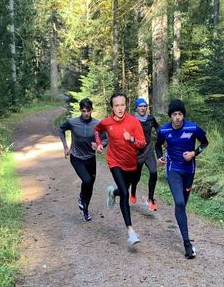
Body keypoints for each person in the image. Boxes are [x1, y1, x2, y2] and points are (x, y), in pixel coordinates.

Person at [155, 99, 209, 259]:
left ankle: (181, 223)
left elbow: (205, 142)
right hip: (173, 170)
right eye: (174, 114)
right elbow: (157, 145)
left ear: (183, 115)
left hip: (189, 171)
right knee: (179, 202)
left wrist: (194, 153)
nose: (177, 117)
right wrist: (160, 157)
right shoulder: (164, 131)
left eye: (180, 114)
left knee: (182, 204)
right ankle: (187, 244)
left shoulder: (192, 128)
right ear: (170, 116)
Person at [95, 92, 146, 245]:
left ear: (126, 105)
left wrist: (131, 139)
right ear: (112, 106)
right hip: (114, 161)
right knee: (125, 193)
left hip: (131, 164)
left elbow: (142, 143)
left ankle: (112, 191)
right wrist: (98, 143)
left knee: (125, 188)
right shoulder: (107, 122)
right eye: (116, 105)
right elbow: (97, 130)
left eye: (122, 105)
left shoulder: (133, 122)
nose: (120, 108)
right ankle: (130, 231)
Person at [58, 98, 106, 222]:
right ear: (80, 110)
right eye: (83, 111)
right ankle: (81, 197)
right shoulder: (72, 122)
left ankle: (85, 210)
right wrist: (65, 146)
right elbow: (60, 129)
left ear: (92, 110)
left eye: (88, 111)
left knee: (90, 185)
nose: (86, 113)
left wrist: (100, 145)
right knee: (87, 180)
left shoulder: (97, 124)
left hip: (90, 158)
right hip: (76, 158)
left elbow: (106, 139)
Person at [129, 97, 159, 211]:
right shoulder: (132, 120)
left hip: (148, 150)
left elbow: (157, 127)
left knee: (153, 171)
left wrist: (161, 135)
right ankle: (133, 191)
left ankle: (150, 199)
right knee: (136, 177)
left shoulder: (151, 118)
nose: (143, 108)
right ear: (136, 108)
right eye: (140, 106)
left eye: (145, 106)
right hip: (136, 151)